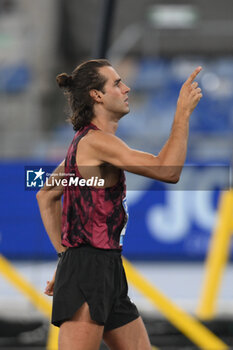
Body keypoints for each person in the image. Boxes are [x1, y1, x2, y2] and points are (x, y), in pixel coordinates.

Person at [36, 59, 202, 350]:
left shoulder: (83, 144)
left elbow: (45, 195)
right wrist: (182, 113)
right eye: (117, 83)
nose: (126, 88)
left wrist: (66, 258)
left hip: (104, 268)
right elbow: (167, 170)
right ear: (97, 95)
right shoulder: (97, 143)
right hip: (89, 270)